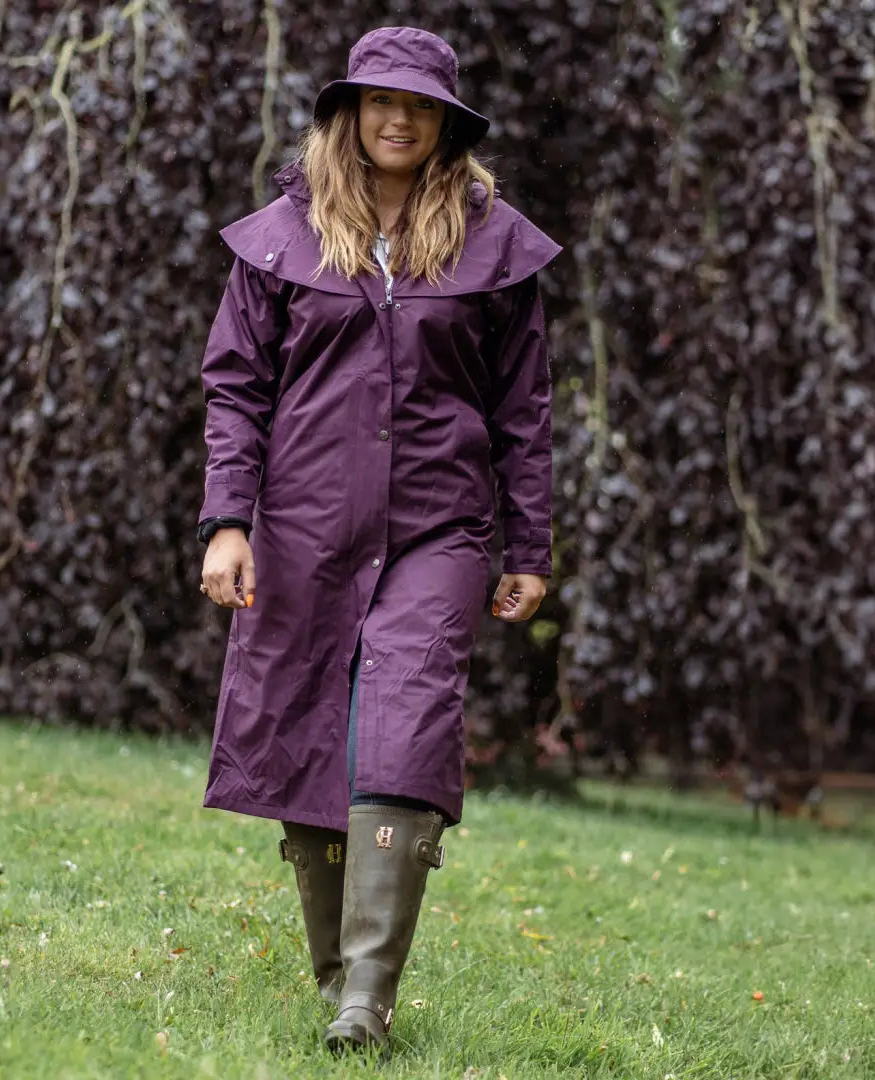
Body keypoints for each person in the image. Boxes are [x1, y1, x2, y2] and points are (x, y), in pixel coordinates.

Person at [196, 26, 560, 1055]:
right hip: (303, 523)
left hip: (440, 529)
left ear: (446, 121)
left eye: (419, 103)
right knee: (307, 723)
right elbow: (236, 388)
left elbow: (525, 409)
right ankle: (333, 976)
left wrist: (529, 545)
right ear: (349, 110)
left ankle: (368, 994)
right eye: (377, 99)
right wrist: (228, 522)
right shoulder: (283, 237)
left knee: (403, 727)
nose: (397, 118)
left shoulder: (493, 244)